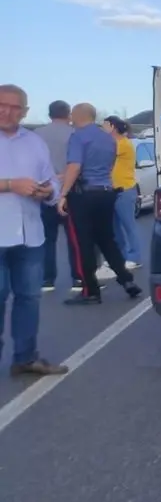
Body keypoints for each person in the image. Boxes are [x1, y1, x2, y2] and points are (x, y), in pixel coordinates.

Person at [0, 84, 70, 376]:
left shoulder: (35, 142)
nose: (7, 112)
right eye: (2, 105)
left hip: (30, 236)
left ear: (25, 111)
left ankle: (25, 357)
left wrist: (48, 191)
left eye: (15, 107)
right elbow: (13, 184)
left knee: (29, 298)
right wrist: (10, 185)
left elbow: (51, 180)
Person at [58, 104, 143, 305]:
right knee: (107, 240)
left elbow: (76, 166)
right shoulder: (108, 138)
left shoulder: (78, 136)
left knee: (83, 244)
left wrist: (63, 193)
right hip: (106, 192)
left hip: (83, 196)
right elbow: (106, 166)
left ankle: (90, 290)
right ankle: (127, 280)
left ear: (76, 115)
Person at [33, 100, 75, 292]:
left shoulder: (36, 135)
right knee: (75, 238)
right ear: (68, 115)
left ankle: (47, 279)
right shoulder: (75, 134)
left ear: (50, 115)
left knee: (47, 239)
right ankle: (78, 278)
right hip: (70, 191)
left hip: (45, 190)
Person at [103, 116, 143, 270]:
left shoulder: (123, 144)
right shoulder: (113, 143)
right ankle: (119, 255)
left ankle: (135, 256)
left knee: (128, 225)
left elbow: (106, 153)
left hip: (125, 189)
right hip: (111, 190)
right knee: (114, 227)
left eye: (105, 125)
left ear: (112, 126)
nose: (102, 128)